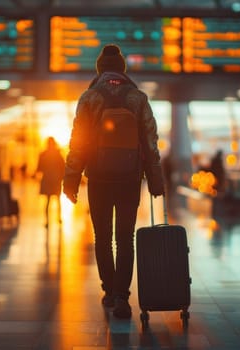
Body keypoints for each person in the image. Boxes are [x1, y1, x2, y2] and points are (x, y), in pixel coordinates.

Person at [63, 44, 165, 319]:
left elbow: (78, 142)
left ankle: (109, 290)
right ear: (122, 69)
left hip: (99, 178)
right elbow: (150, 142)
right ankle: (123, 297)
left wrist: (70, 180)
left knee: (103, 238)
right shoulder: (138, 98)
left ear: (99, 70)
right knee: (125, 238)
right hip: (130, 178)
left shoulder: (89, 98)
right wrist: (156, 180)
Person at [35, 137, 65, 227]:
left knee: (48, 201)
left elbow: (39, 168)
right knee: (58, 200)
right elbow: (63, 167)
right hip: (56, 179)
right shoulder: (58, 154)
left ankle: (47, 221)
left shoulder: (43, 154)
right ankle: (59, 219)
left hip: (47, 179)